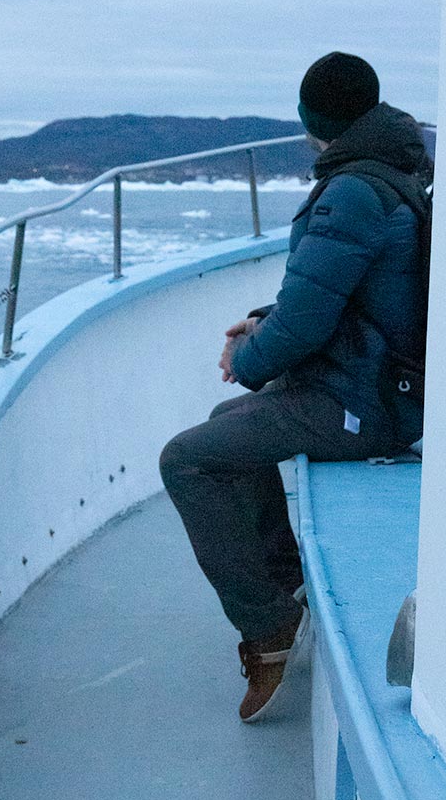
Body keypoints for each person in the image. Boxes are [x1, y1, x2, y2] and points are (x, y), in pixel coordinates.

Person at [159, 51, 429, 721]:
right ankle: (287, 586)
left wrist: (247, 356)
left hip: (362, 405)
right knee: (231, 421)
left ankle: (268, 626)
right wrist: (260, 325)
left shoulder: (354, 194)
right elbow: (341, 294)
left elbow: (310, 318)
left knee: (187, 459)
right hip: (372, 386)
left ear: (315, 119)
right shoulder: (388, 173)